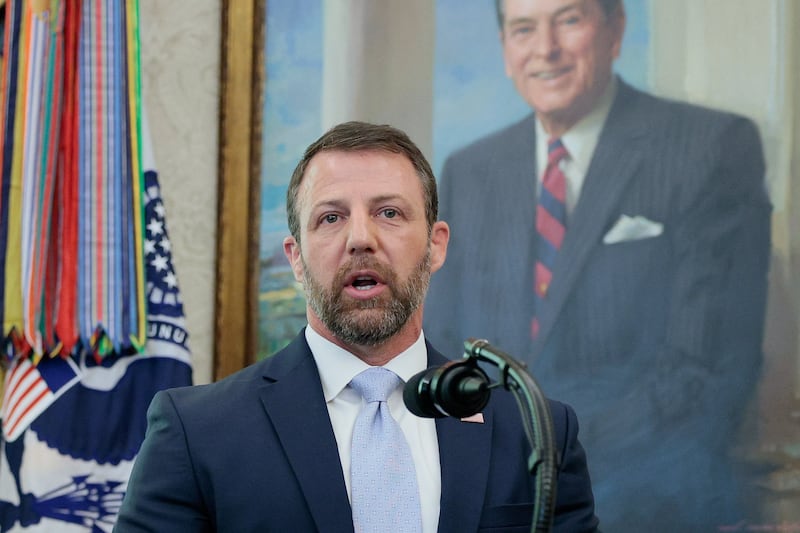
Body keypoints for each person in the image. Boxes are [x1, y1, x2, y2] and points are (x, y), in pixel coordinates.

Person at [114, 121, 599, 532]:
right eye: (331, 217)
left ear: (436, 246)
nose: (360, 239)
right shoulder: (197, 433)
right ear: (296, 260)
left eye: (389, 213)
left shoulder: (536, 432)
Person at [423, 0, 772, 531]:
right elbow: (442, 348)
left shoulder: (709, 147)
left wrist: (548, 459)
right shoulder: (469, 171)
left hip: (652, 499)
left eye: (569, 20)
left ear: (615, 29)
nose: (546, 49)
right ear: (505, 50)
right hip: (496, 501)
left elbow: (705, 374)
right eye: (523, 29)